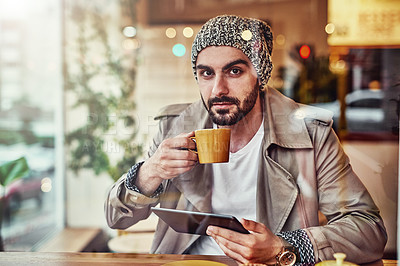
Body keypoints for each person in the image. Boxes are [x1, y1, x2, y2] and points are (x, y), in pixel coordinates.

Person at [105, 15, 387, 265]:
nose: (218, 89)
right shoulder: (174, 127)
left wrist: (285, 246)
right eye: (206, 73)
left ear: (259, 74)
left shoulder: (310, 133)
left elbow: (369, 229)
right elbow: (118, 218)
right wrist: (149, 172)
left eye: (234, 71)